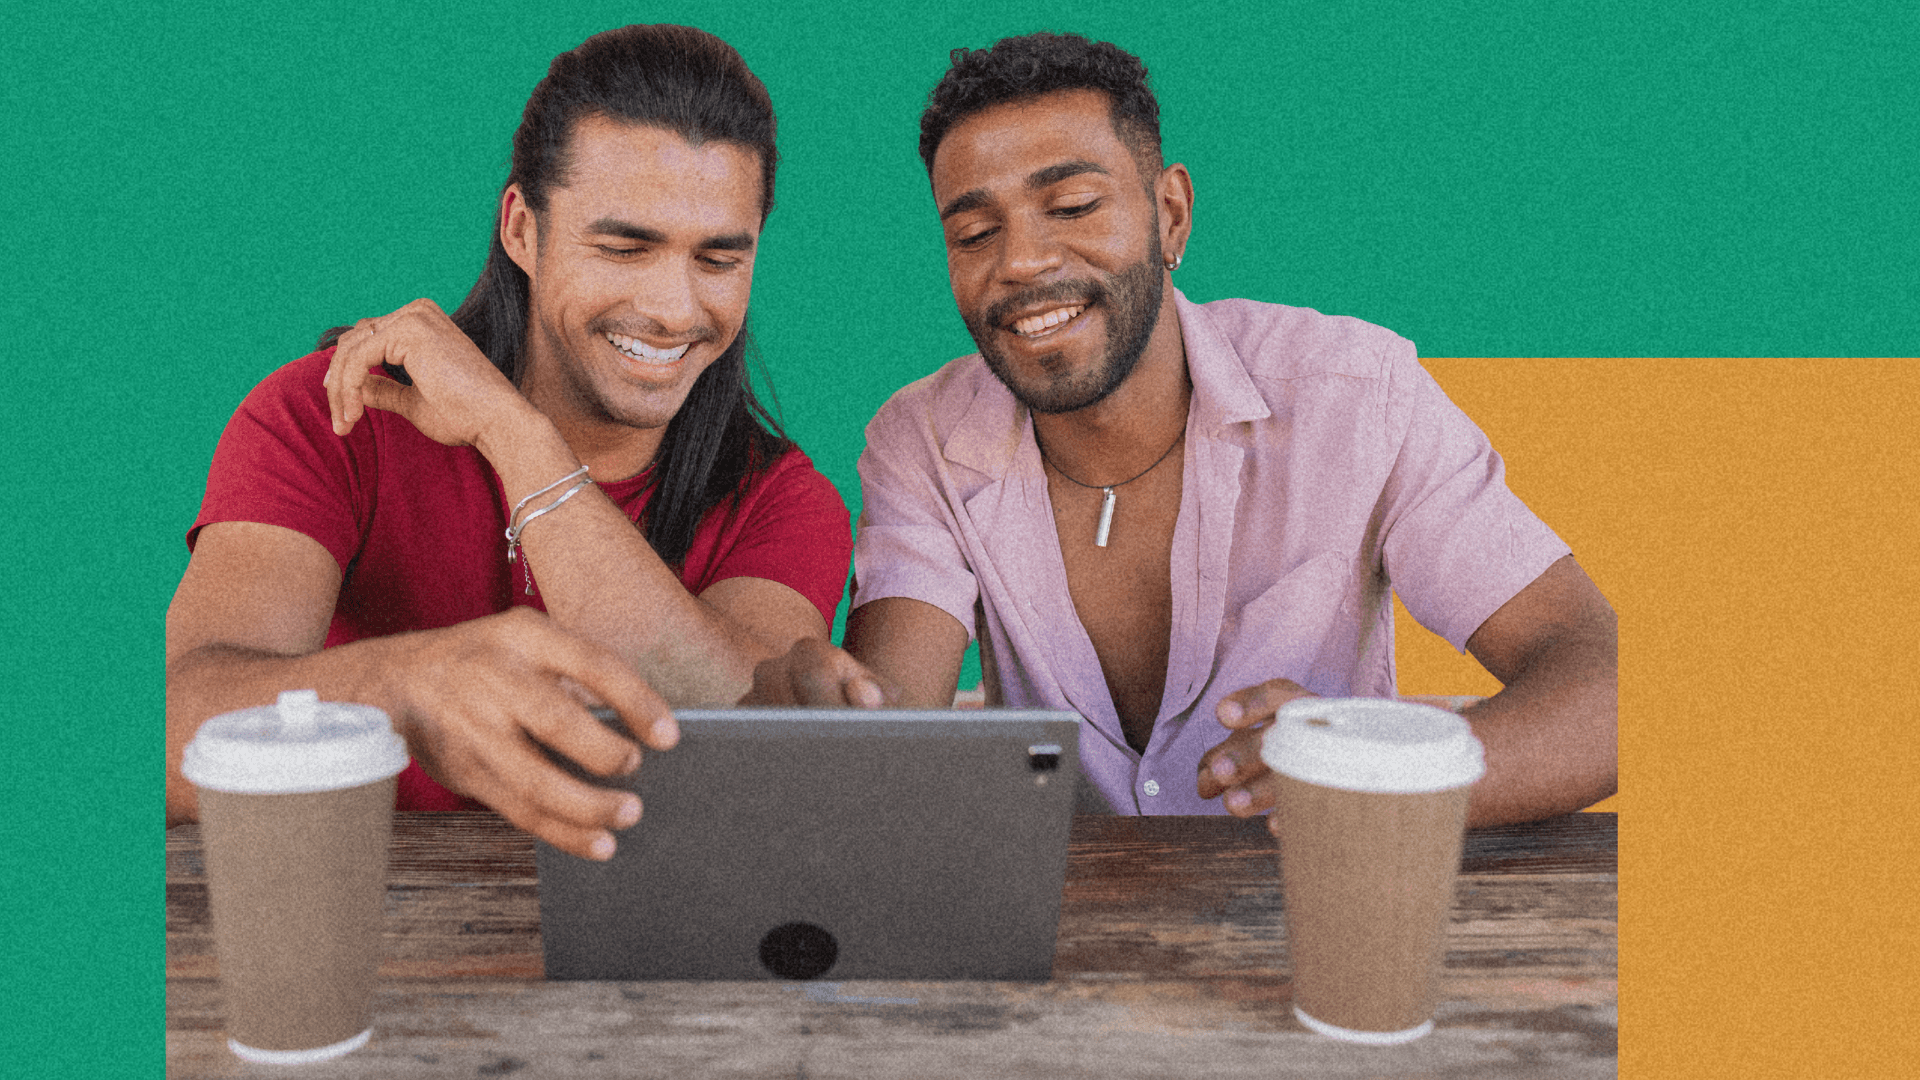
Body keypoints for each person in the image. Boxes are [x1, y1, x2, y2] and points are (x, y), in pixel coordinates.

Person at [751, 33, 1615, 828]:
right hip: (1059, 952)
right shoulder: (922, 439)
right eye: (975, 232)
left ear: (1171, 215)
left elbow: (1610, 688)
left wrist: (1385, 774)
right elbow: (895, 713)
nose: (1020, 263)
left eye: (1075, 205)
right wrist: (836, 724)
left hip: (1315, 923)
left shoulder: (1353, 395)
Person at [166, 25, 852, 861]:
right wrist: (403, 690)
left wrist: (515, 433)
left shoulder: (783, 501)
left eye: (717, 259)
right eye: (624, 247)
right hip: (354, 924)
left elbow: (740, 748)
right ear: (522, 230)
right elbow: (171, 725)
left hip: (644, 955)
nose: (676, 308)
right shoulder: (331, 413)